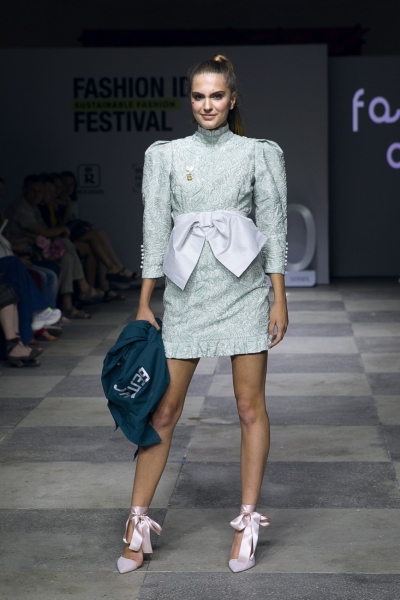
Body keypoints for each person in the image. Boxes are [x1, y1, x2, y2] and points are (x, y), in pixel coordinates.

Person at [117, 54, 288, 575]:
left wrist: (279, 296)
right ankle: (137, 521)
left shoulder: (257, 153)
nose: (207, 105)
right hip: (187, 296)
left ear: (232, 99)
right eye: (198, 96)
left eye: (216, 95)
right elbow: (153, 229)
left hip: (244, 292)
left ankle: (247, 522)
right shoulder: (167, 156)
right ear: (189, 100)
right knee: (163, 412)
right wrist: (145, 301)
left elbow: (273, 224)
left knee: (249, 408)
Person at [5, 175, 101, 318]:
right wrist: (62, 229)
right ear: (24, 190)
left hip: (35, 251)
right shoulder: (20, 207)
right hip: (22, 253)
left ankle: (66, 305)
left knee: (68, 258)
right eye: (33, 191)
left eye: (39, 191)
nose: (37, 194)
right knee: (63, 251)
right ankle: (83, 288)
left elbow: (45, 232)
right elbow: (44, 232)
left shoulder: (35, 207)